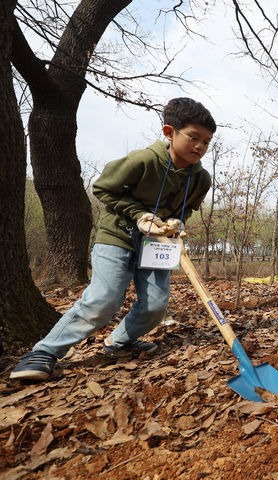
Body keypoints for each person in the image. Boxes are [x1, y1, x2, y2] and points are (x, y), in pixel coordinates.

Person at [10, 98, 216, 380]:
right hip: (117, 235)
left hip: (157, 243)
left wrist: (175, 222)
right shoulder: (143, 161)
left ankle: (119, 341)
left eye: (206, 142)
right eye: (193, 138)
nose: (200, 147)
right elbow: (104, 188)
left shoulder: (201, 179)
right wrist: (139, 214)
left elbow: (188, 207)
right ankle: (43, 352)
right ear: (170, 132)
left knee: (156, 306)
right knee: (105, 298)